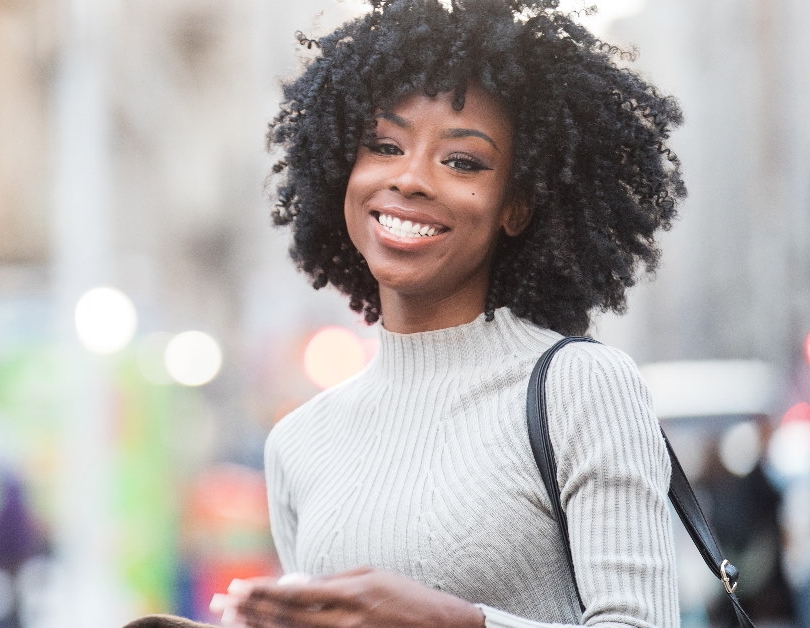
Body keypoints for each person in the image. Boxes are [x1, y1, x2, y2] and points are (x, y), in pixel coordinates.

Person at [211, 0, 686, 626]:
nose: (410, 179)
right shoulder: (299, 443)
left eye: (462, 161)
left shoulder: (580, 388)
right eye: (383, 145)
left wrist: (457, 622)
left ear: (516, 205)